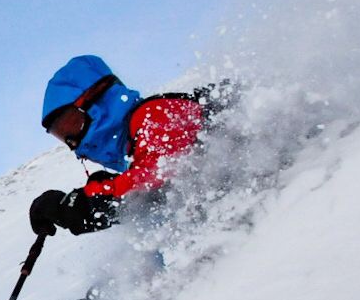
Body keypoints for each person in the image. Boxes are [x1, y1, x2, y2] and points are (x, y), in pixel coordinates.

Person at [29, 55, 219, 236]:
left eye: (70, 124)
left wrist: (82, 203)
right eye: (61, 134)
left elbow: (157, 174)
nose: (72, 141)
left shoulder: (153, 114)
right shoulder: (134, 145)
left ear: (97, 100)